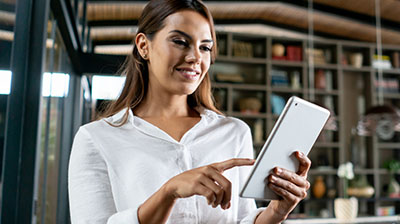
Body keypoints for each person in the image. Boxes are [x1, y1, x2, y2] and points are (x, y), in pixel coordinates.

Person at [68, 0, 311, 223]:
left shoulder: (234, 132)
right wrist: (168, 192)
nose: (195, 57)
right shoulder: (96, 138)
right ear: (144, 46)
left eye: (205, 47)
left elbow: (242, 219)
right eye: (180, 42)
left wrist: (275, 213)